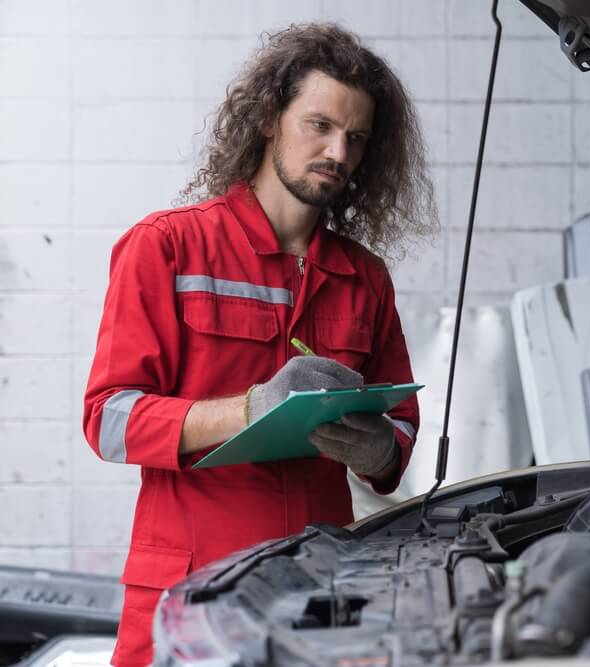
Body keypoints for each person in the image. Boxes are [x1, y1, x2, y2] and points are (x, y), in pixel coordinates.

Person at [82, 23, 437, 667]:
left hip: (321, 587)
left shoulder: (365, 279)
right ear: (270, 117)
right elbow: (107, 420)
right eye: (319, 125)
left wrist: (383, 445)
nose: (337, 151)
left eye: (355, 139)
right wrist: (249, 409)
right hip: (191, 590)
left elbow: (399, 438)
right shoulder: (167, 247)